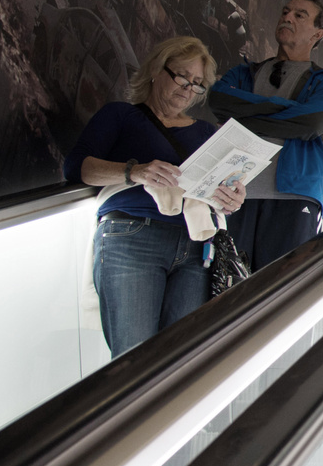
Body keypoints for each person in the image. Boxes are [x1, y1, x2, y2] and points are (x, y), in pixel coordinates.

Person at [64, 36, 245, 357]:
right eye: (182, 76)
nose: (188, 88)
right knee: (133, 358)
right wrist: (135, 171)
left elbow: (219, 191)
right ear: (155, 70)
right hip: (132, 235)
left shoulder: (207, 132)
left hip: (197, 247)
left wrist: (232, 198)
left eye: (197, 83)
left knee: (181, 359)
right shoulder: (120, 115)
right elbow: (77, 167)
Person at [209, 0, 323, 270]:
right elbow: (218, 99)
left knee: (283, 286)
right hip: (236, 194)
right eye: (285, 12)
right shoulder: (245, 73)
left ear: (317, 34)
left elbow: (313, 123)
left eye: (299, 15)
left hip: (295, 195)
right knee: (231, 287)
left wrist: (244, 119)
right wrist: (290, 110)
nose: (287, 17)